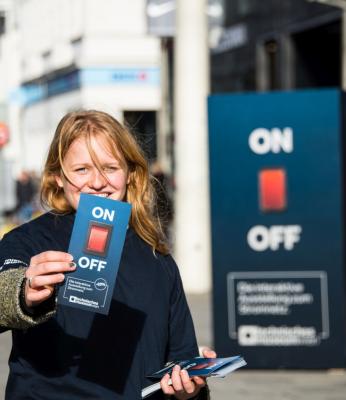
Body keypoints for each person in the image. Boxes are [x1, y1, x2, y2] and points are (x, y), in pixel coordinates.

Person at [0, 110, 214, 399]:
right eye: (82, 170)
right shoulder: (29, 240)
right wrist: (24, 293)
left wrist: (190, 389)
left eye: (110, 167)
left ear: (130, 174)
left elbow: (179, 360)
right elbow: (4, 294)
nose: (98, 182)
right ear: (57, 177)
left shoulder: (158, 257)